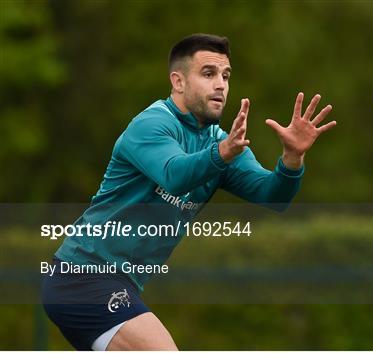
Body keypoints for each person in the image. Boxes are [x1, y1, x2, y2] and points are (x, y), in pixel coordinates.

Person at [41, 33, 336, 350]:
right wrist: (221, 154)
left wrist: (292, 159)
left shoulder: (221, 141)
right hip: (83, 279)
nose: (220, 85)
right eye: (208, 74)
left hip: (114, 285)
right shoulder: (152, 125)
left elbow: (273, 196)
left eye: (225, 76)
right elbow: (174, 175)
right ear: (178, 82)